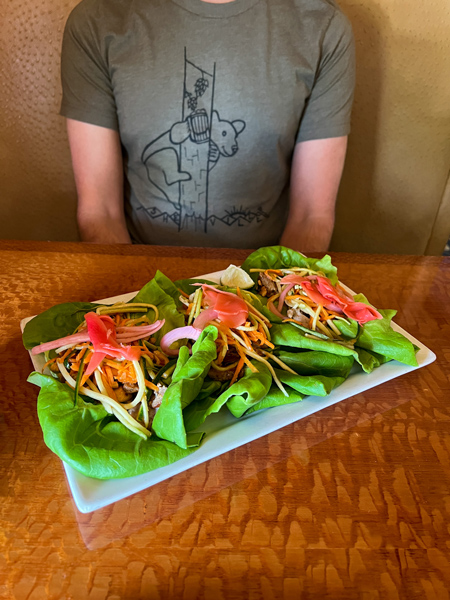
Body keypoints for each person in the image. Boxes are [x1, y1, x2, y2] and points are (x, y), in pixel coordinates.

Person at [60, 0, 355, 252]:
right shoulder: (95, 21)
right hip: (139, 279)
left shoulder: (323, 28)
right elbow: (100, 213)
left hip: (261, 285)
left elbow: (310, 217)